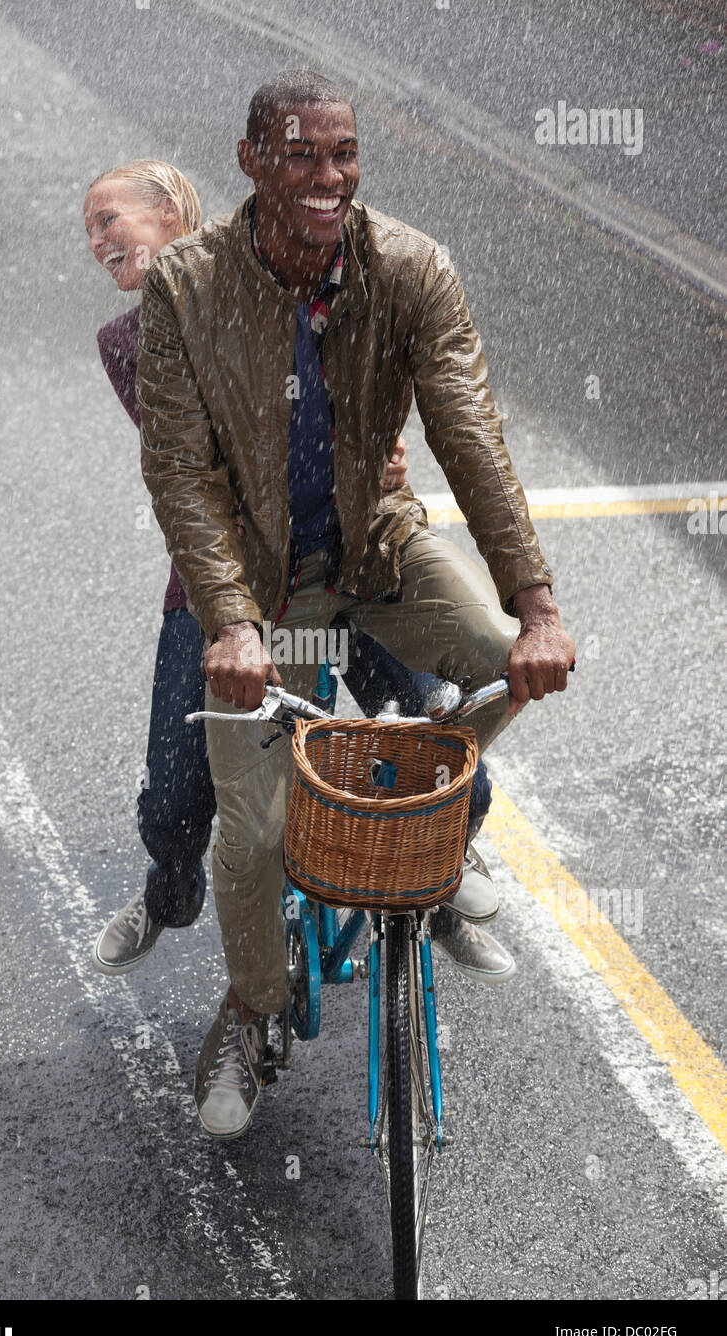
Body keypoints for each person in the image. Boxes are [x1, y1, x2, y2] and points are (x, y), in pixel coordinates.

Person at [136, 71, 576, 1140]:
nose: (326, 178)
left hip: (374, 552)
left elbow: (469, 436)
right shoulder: (184, 285)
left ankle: (436, 824)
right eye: (299, 155)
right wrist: (231, 623)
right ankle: (247, 1010)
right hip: (256, 591)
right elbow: (179, 472)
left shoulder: (412, 267)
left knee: (494, 657)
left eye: (343, 155)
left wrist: (536, 603)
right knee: (248, 834)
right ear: (249, 160)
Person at [83, 157, 500, 981]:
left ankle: (441, 880)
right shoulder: (130, 340)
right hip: (234, 589)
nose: (95, 242)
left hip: (352, 563)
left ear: (169, 212)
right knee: (178, 798)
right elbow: (202, 472)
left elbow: (368, 383)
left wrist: (378, 442)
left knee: (438, 733)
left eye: (107, 221)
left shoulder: (284, 289)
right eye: (88, 232)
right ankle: (172, 894)